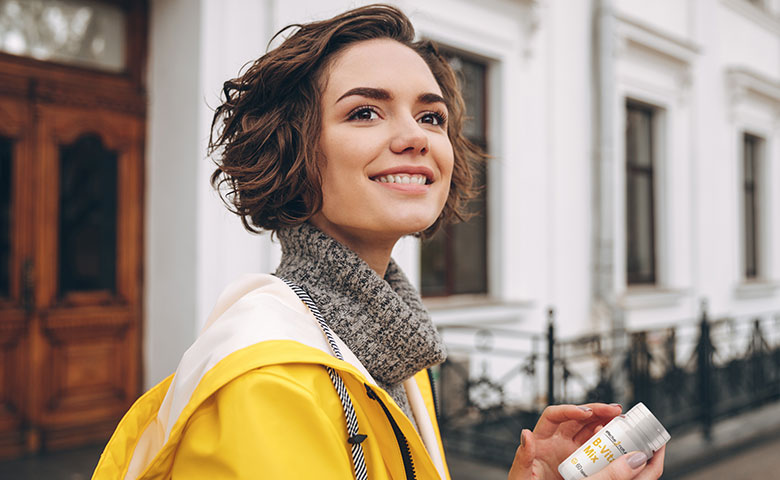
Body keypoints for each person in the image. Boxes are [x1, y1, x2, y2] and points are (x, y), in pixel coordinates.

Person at [92, 4, 665, 480]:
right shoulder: (269, 387)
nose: (415, 137)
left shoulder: (390, 347)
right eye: (365, 112)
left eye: (432, 117)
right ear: (294, 151)